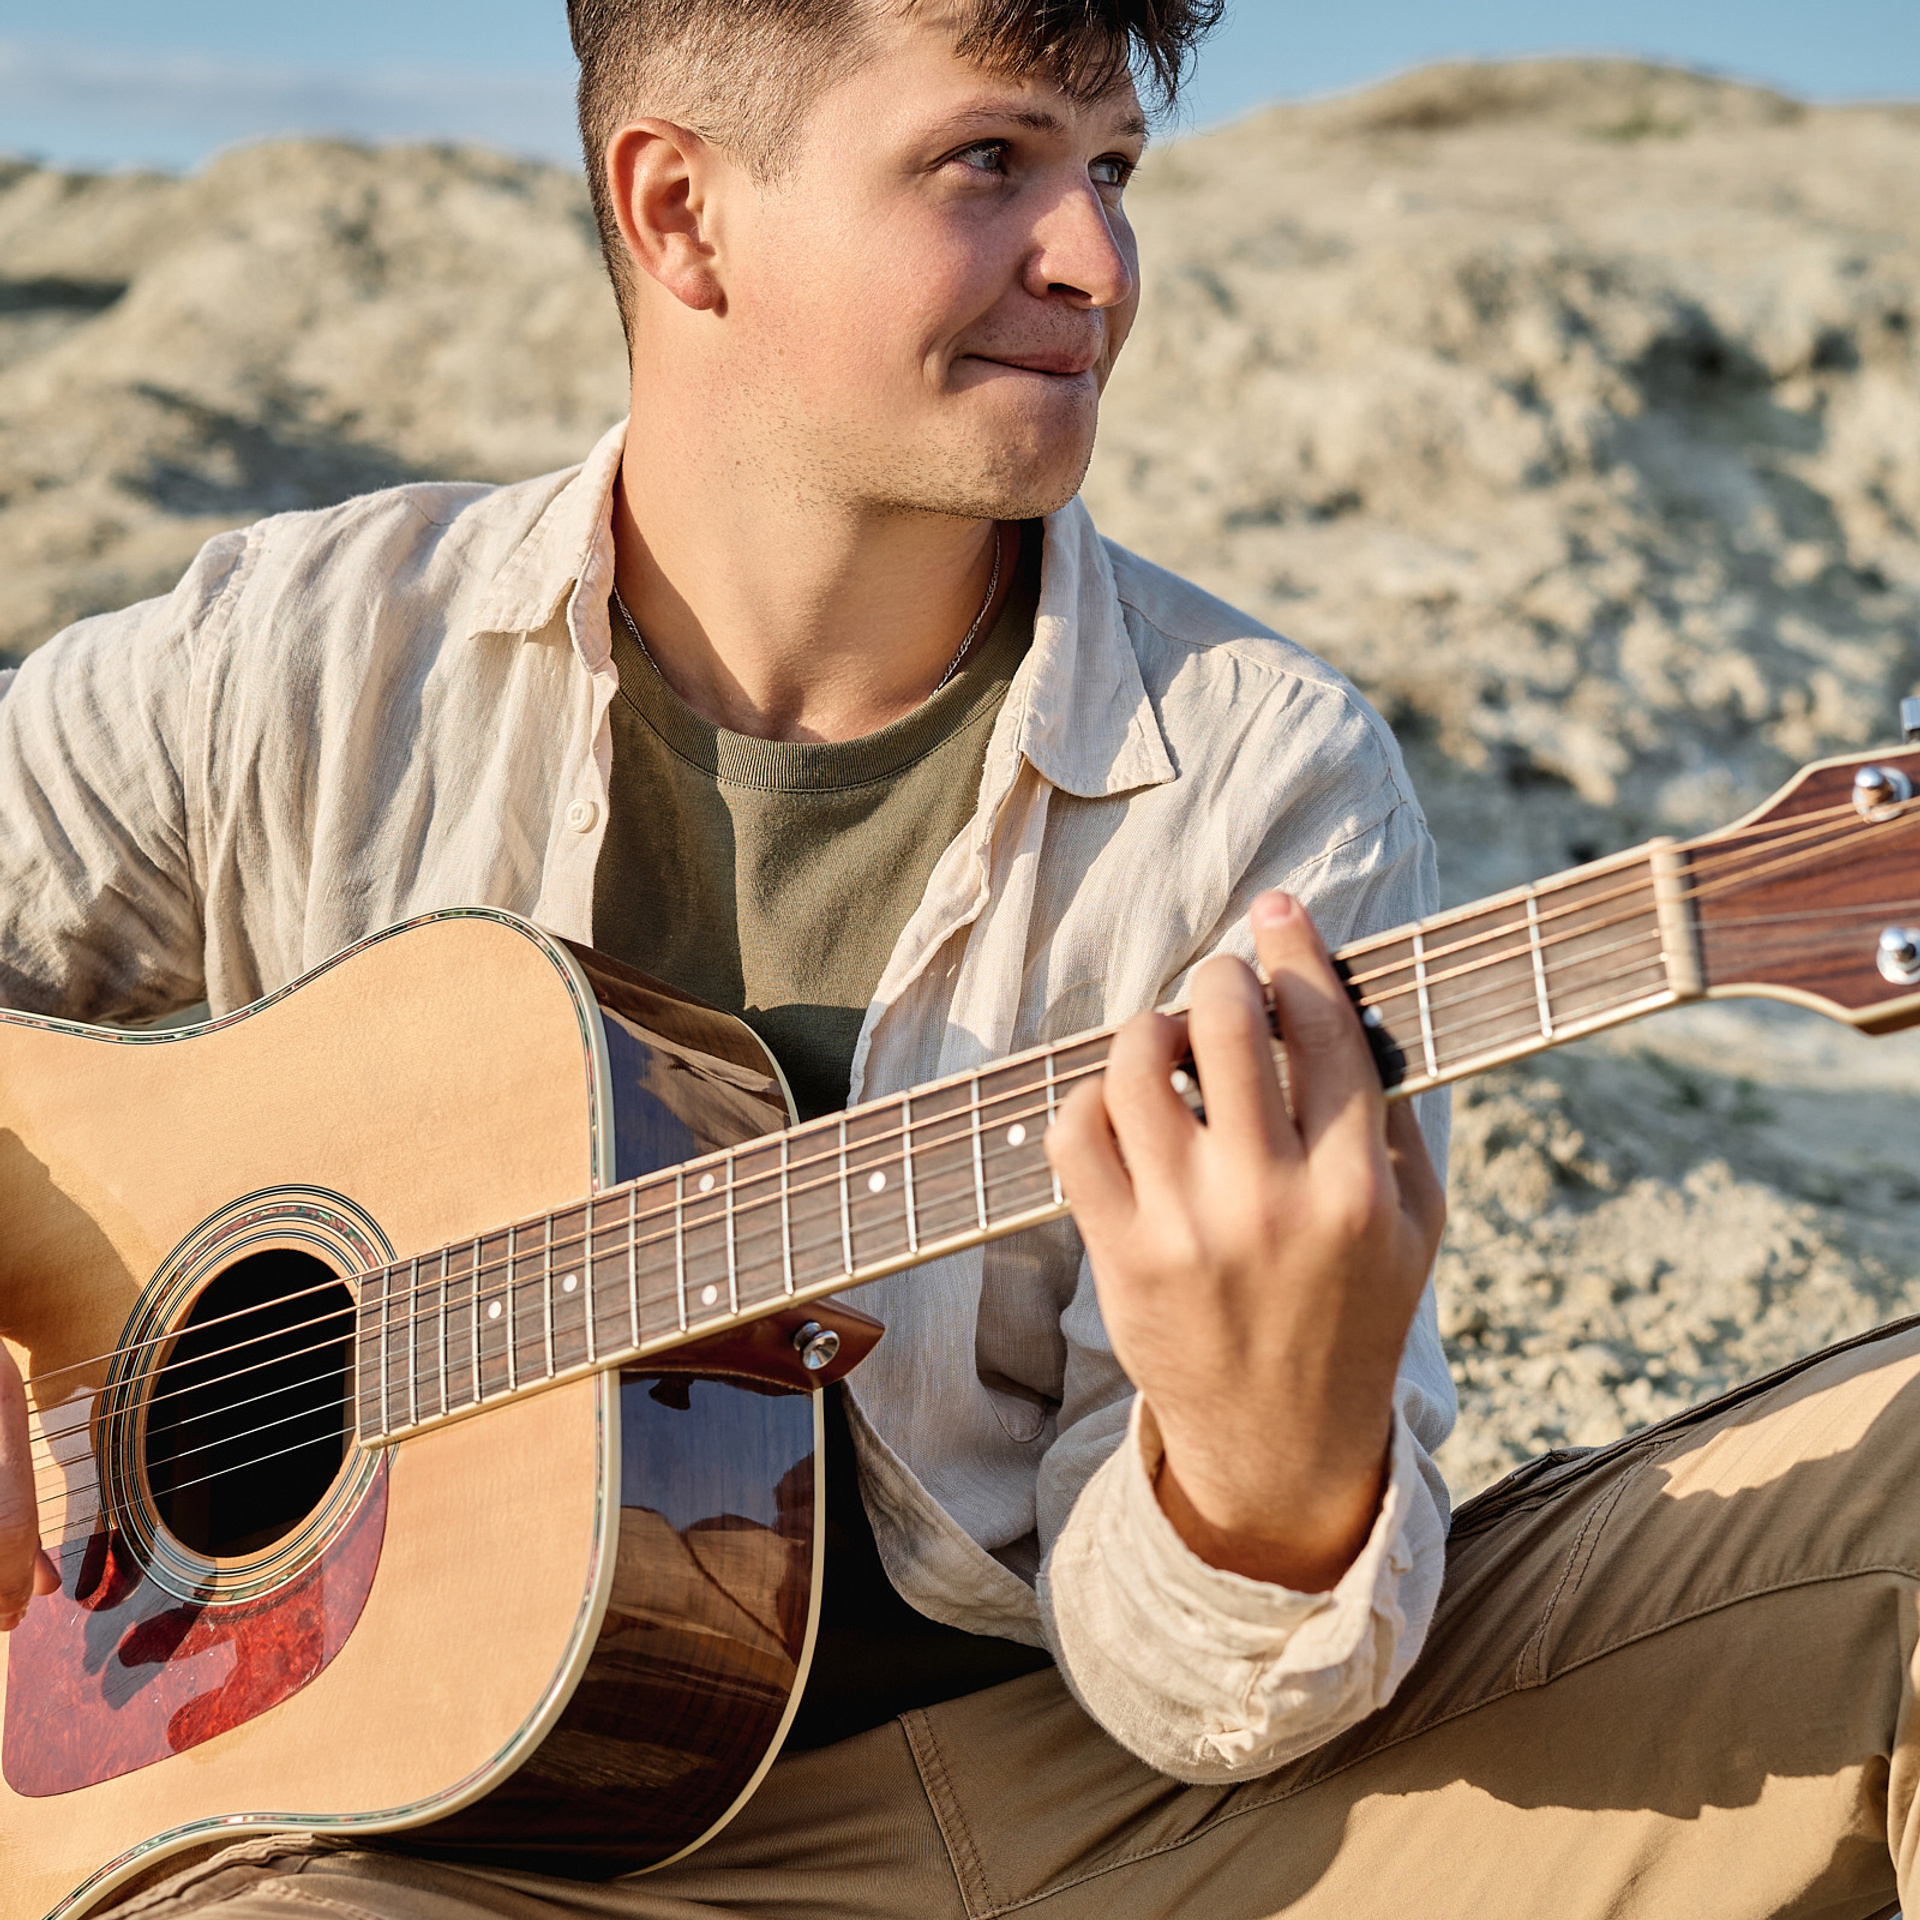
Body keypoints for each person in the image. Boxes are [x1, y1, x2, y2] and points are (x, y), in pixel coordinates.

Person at [1, 2, 1917, 1914]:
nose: (1098, 263)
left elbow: (1202, 1701)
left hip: (1126, 1827)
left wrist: (1261, 1483)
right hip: (385, 1856)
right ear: (682, 215)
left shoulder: (1257, 774)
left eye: (1114, 173)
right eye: (988, 161)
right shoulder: (301, 660)